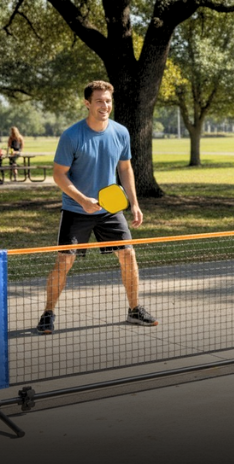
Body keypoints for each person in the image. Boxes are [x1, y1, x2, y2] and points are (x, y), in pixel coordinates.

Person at [36, 80, 157, 334]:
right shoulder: (72, 135)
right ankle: (48, 313)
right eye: (99, 100)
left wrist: (134, 203)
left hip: (110, 210)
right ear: (87, 103)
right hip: (76, 209)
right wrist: (82, 200)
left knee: (128, 255)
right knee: (64, 261)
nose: (105, 105)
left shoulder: (121, 132)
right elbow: (59, 175)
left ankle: (135, 309)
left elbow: (125, 168)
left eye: (108, 101)